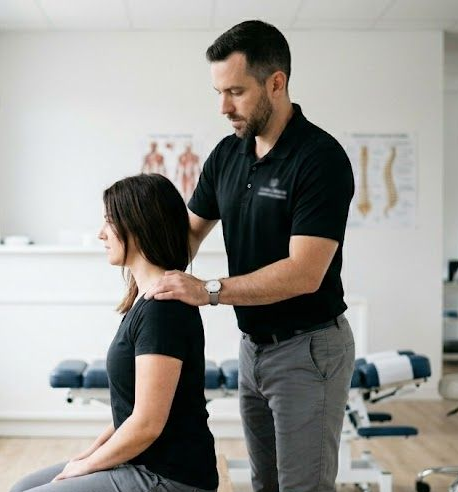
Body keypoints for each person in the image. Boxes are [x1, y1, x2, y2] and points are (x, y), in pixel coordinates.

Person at [146, 20, 357, 492]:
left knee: (302, 487)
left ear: (276, 83)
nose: (223, 107)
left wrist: (208, 291)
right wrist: (139, 254)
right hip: (253, 347)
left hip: (309, 348)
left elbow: (304, 273)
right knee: (264, 484)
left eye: (236, 92)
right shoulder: (227, 155)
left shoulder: (320, 159)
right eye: (219, 92)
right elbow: (188, 235)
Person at [11, 174, 218, 492]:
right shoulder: (145, 299)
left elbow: (146, 425)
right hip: (142, 464)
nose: (101, 234)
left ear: (137, 226)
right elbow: (130, 413)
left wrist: (86, 467)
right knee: (23, 486)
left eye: (109, 222)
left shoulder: (164, 309)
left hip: (169, 477)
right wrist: (87, 455)